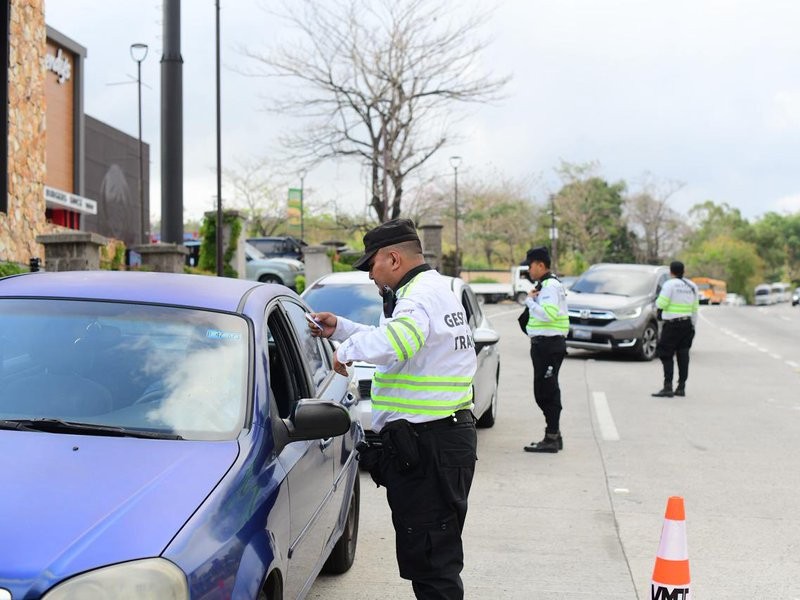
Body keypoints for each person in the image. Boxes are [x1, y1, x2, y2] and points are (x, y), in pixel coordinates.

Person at [309, 218, 478, 600]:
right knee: (432, 560)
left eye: (372, 264)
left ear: (394, 259)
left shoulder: (416, 298)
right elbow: (400, 340)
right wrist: (342, 329)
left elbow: (398, 341)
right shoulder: (434, 290)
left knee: (435, 568)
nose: (371, 274)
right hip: (440, 441)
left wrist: (345, 352)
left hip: (431, 445)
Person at [520, 247, 569, 453]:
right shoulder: (547, 284)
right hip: (545, 345)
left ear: (541, 264)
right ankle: (554, 435)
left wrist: (530, 302)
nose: (529, 270)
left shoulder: (549, 286)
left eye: (530, 265)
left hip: (549, 346)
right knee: (545, 390)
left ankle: (551, 437)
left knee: (546, 391)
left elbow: (548, 314)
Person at [652, 261, 699, 397]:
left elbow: (661, 303)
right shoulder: (692, 286)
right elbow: (695, 308)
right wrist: (693, 326)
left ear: (671, 272)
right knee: (683, 355)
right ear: (683, 271)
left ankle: (668, 386)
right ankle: (681, 387)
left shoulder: (669, 284)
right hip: (687, 325)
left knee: (665, 353)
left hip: (672, 325)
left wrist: (659, 304)